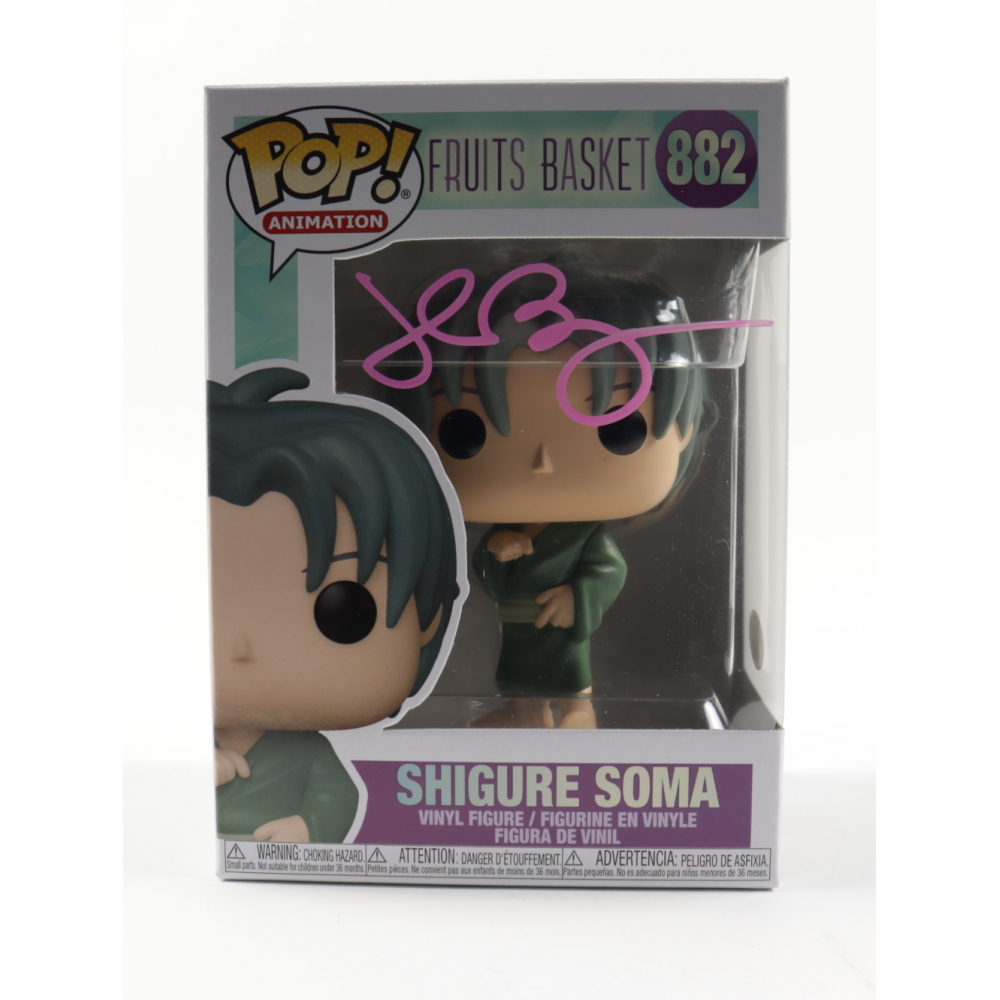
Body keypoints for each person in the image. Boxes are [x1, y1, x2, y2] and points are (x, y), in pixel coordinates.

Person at [388, 254, 709, 728]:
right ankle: (525, 713)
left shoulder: (586, 538)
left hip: (561, 619)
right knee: (520, 677)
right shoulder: (510, 527)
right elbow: (486, 577)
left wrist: (579, 597)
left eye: (619, 426)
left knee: (569, 672)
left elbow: (609, 569)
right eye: (464, 431)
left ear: (686, 432)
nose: (543, 462)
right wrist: (496, 549)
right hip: (517, 622)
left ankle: (579, 710)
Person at [209, 367, 459, 841]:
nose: (242, 647)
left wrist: (307, 826)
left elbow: (337, 795)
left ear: (429, 620)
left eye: (343, 611)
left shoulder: (307, 752)